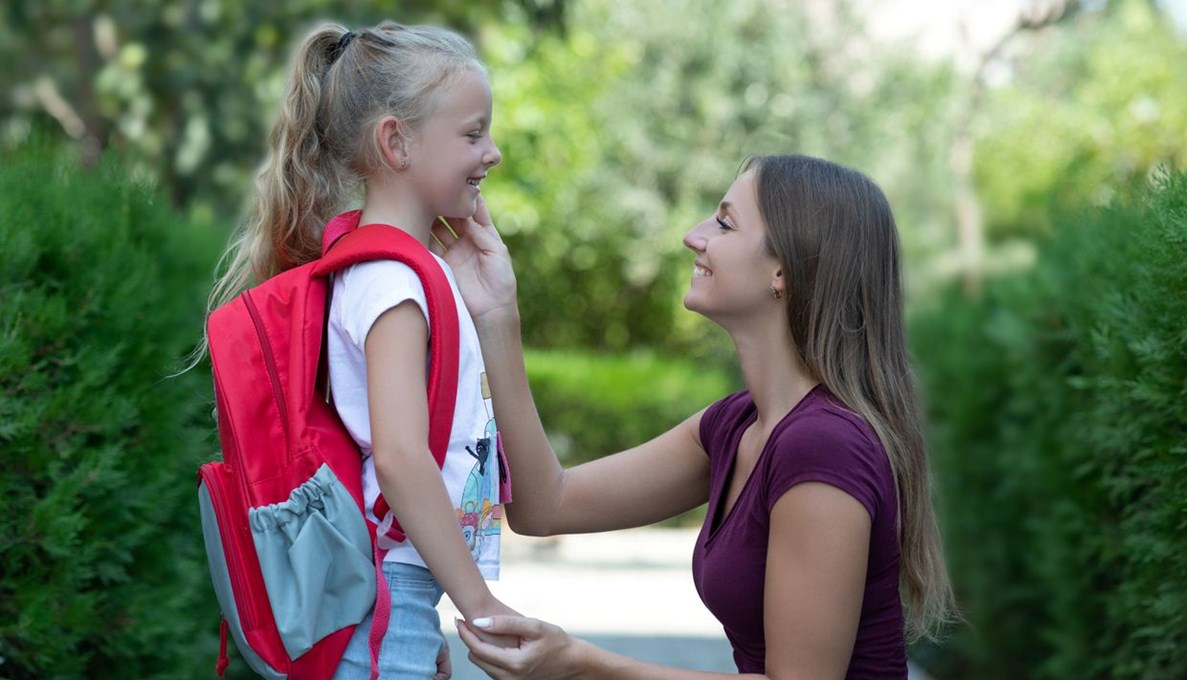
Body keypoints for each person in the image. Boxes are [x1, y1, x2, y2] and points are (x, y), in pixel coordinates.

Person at [434, 154, 958, 679]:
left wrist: (580, 664)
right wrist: (496, 312)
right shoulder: (735, 426)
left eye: (725, 223)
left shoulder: (824, 445)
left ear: (784, 270)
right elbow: (544, 505)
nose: (692, 235)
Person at [203, 21, 519, 680]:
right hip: (385, 602)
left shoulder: (382, 267)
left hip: (394, 602)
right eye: (472, 133)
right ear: (396, 141)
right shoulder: (392, 282)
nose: (491, 152)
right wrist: (479, 605)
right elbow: (401, 460)